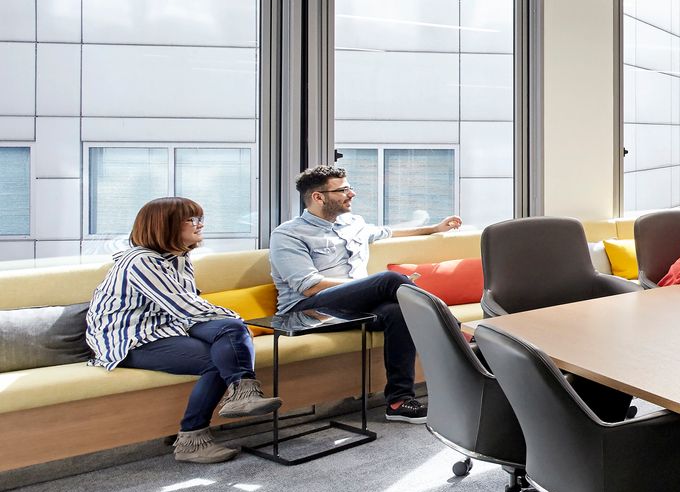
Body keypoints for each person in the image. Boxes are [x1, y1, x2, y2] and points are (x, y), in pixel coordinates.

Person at [86, 197, 283, 464]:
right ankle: (192, 439)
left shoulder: (180, 259)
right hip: (130, 338)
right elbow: (183, 305)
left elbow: (188, 308)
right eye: (192, 219)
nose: (200, 225)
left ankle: (244, 393)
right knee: (219, 356)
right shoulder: (140, 260)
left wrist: (233, 324)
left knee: (229, 329)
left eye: (200, 218)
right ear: (164, 225)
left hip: (169, 327)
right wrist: (239, 320)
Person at [269, 164, 461, 423]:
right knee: (388, 279)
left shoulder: (353, 223)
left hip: (354, 307)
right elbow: (309, 286)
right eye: (344, 189)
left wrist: (435, 229)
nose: (352, 193)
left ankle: (398, 401)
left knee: (396, 311)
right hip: (309, 309)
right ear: (318, 197)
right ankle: (454, 329)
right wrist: (370, 286)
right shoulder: (288, 234)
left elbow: (389, 231)